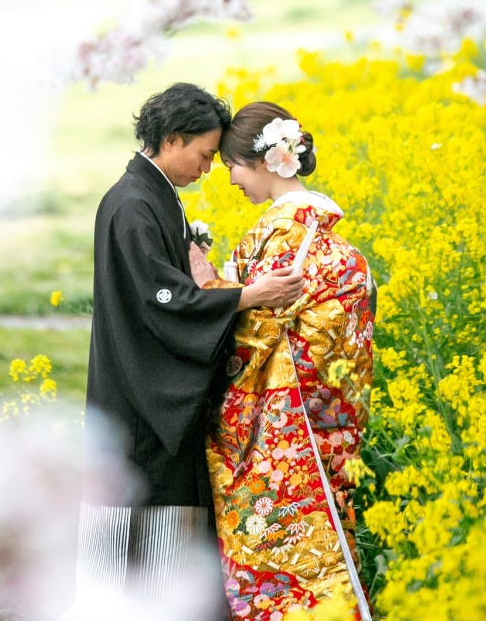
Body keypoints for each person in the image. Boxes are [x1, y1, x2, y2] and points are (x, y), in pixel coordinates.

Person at [79, 84, 304, 609]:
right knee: (146, 521)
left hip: (147, 384)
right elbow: (162, 301)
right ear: (172, 139)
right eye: (204, 155)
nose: (208, 170)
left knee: (155, 525)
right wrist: (248, 295)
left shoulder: (151, 195)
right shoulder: (133, 206)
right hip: (142, 397)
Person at [191, 102, 375, 621]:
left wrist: (209, 286)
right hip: (323, 425)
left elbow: (251, 332)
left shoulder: (285, 236)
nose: (229, 180)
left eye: (231, 165)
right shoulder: (325, 235)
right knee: (329, 549)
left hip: (282, 430)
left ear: (269, 160)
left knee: (278, 550)